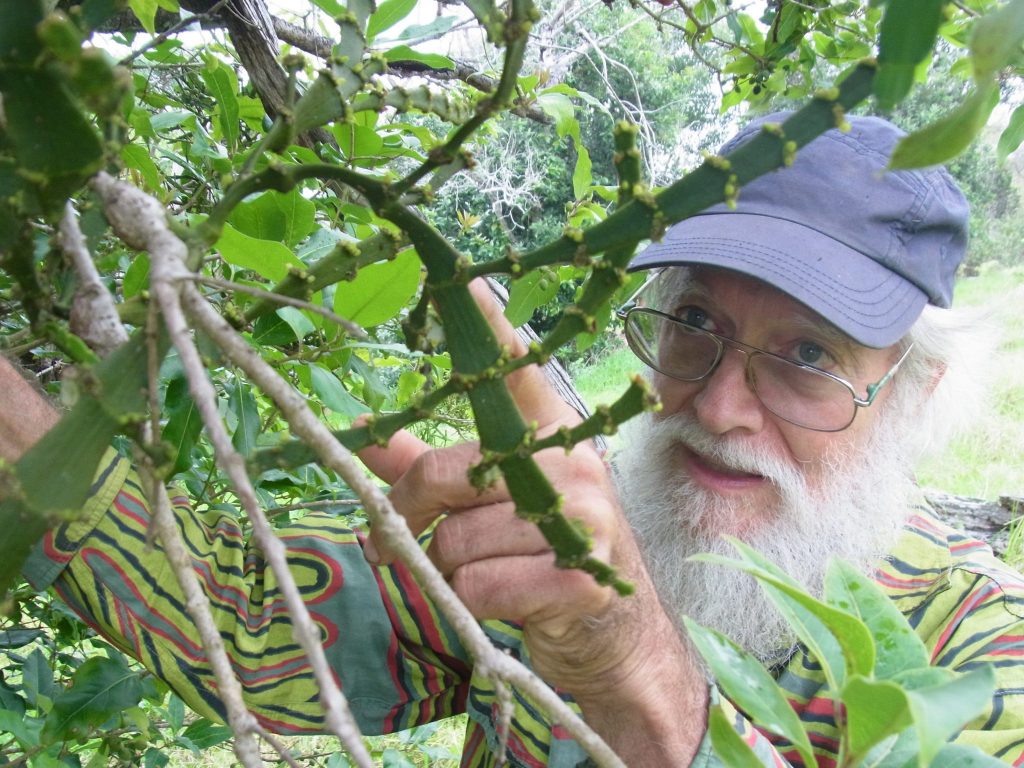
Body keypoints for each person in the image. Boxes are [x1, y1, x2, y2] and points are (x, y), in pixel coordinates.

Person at [4, 112, 1024, 767]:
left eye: (804, 355)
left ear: (907, 391)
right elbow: (236, 620)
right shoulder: (558, 546)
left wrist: (641, 685)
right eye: (695, 325)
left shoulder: (979, 659)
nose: (719, 408)